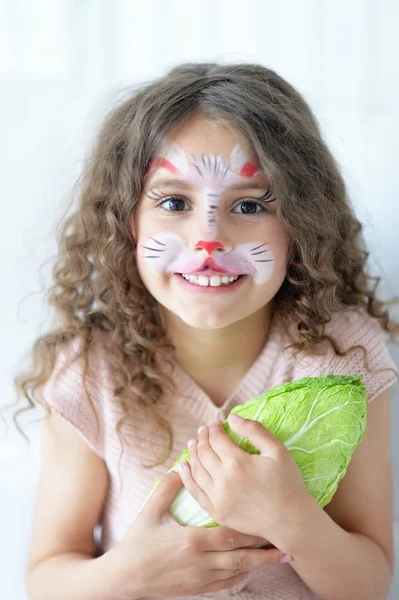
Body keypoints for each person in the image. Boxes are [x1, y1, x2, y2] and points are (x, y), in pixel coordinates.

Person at [13, 62, 398, 600]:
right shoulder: (89, 370)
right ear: (128, 221)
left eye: (249, 204)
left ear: (301, 224)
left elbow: (370, 583)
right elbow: (47, 577)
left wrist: (291, 519)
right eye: (174, 203)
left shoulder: (344, 356)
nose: (208, 240)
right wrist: (132, 574)